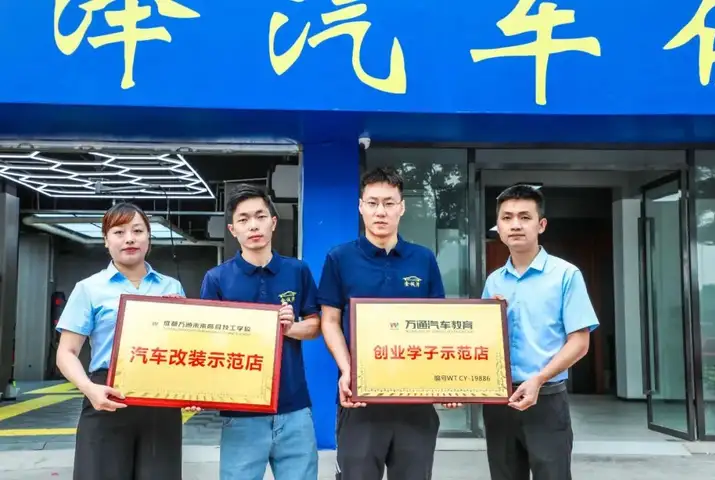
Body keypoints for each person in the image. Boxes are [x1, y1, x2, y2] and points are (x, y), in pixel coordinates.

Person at [318, 167, 459, 480]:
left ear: (402, 207)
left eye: (389, 203)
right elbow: (329, 320)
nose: (380, 211)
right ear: (361, 206)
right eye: (372, 203)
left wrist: (447, 379)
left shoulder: (423, 259)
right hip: (360, 400)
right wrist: (348, 370)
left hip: (416, 400)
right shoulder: (339, 258)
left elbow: (438, 323)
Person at [55, 202, 187, 480]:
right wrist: (89, 389)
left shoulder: (171, 287)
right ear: (106, 240)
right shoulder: (89, 288)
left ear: (149, 237)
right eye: (119, 232)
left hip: (161, 401)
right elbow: (67, 352)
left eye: (137, 231)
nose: (130, 238)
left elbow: (185, 348)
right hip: (106, 395)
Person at [199, 184, 320, 480]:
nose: (253, 225)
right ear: (233, 230)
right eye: (243, 219)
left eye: (260, 216)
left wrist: (291, 328)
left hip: (294, 409)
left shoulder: (297, 271)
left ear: (273, 222)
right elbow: (205, 339)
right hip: (241, 412)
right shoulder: (216, 279)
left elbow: (315, 325)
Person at [481, 184, 599, 480]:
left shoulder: (565, 275)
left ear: (541, 225)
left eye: (525, 217)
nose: (515, 225)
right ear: (498, 227)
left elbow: (580, 342)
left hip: (546, 400)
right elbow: (483, 340)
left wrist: (538, 379)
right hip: (499, 401)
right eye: (507, 218)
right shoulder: (494, 281)